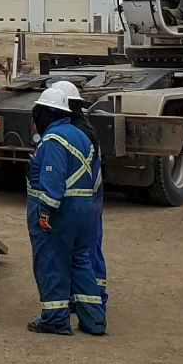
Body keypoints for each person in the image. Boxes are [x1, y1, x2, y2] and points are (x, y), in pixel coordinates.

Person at [25, 86, 106, 336]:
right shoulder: (81, 135)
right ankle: (95, 320)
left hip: (62, 212)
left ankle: (55, 319)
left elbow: (53, 180)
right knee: (81, 262)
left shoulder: (53, 140)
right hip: (85, 210)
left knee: (52, 263)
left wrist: (45, 210)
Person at [49, 80, 107, 310]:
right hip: (91, 196)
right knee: (87, 251)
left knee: (83, 252)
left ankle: (92, 300)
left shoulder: (74, 131)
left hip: (83, 198)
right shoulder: (84, 127)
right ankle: (91, 300)